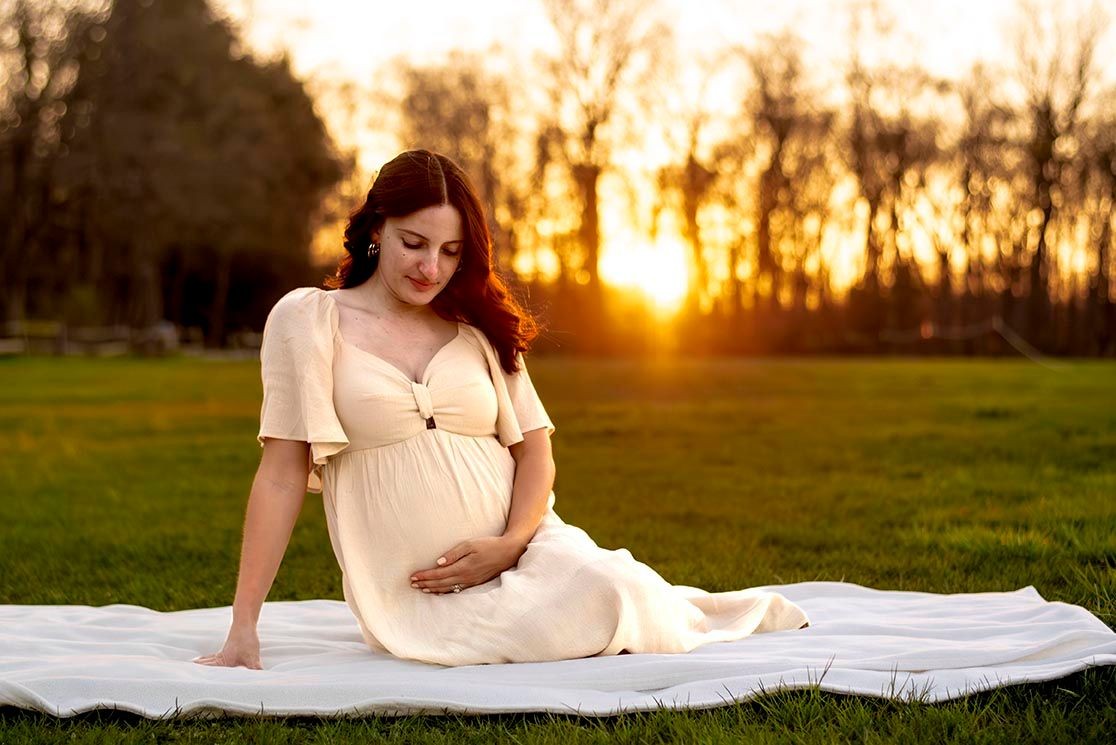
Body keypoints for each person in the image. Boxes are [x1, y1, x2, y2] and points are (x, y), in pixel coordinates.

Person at [193, 149, 808, 670]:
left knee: (610, 587)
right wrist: (243, 629)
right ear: (376, 227)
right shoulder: (307, 319)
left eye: (451, 251)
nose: (430, 267)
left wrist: (512, 543)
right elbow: (279, 474)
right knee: (601, 602)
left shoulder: (475, 328)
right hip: (414, 593)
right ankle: (643, 606)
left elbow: (535, 448)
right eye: (414, 243)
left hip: (530, 541)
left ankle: (667, 606)